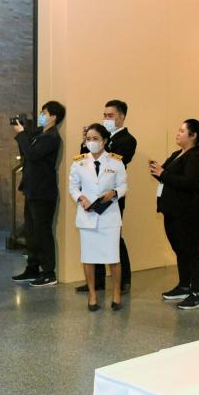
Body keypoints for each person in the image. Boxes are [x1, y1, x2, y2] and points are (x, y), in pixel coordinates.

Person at [75, 100, 137, 295]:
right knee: (93, 237)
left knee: (114, 238)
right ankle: (97, 281)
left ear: (122, 117)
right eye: (105, 115)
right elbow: (85, 160)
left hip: (111, 198)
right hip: (91, 196)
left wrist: (101, 143)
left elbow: (115, 161)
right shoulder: (99, 137)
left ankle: (124, 281)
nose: (106, 119)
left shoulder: (127, 140)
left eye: (110, 116)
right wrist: (88, 142)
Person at [150, 119, 199, 310]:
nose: (178, 133)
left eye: (182, 131)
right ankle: (184, 286)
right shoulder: (178, 154)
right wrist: (157, 171)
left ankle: (198, 294)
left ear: (193, 136)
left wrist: (163, 173)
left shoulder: (196, 158)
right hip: (173, 209)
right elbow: (167, 175)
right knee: (180, 249)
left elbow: (189, 183)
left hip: (190, 211)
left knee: (191, 250)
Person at [69, 124, 127, 311]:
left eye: (95, 139)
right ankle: (92, 294)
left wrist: (114, 193)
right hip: (87, 215)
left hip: (109, 216)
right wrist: (81, 198)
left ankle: (116, 292)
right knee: (88, 257)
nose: (91, 142)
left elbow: (123, 185)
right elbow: (73, 187)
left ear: (104, 140)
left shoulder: (116, 162)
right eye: (88, 139)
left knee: (113, 257)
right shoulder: (78, 162)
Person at [11, 100, 65, 287]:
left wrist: (21, 134)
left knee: (42, 232)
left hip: (43, 191)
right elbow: (26, 153)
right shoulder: (39, 134)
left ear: (53, 117)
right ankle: (32, 268)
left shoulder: (52, 137)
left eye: (44, 113)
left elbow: (33, 155)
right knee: (31, 231)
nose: (41, 116)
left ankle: (49, 272)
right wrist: (23, 133)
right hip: (32, 189)